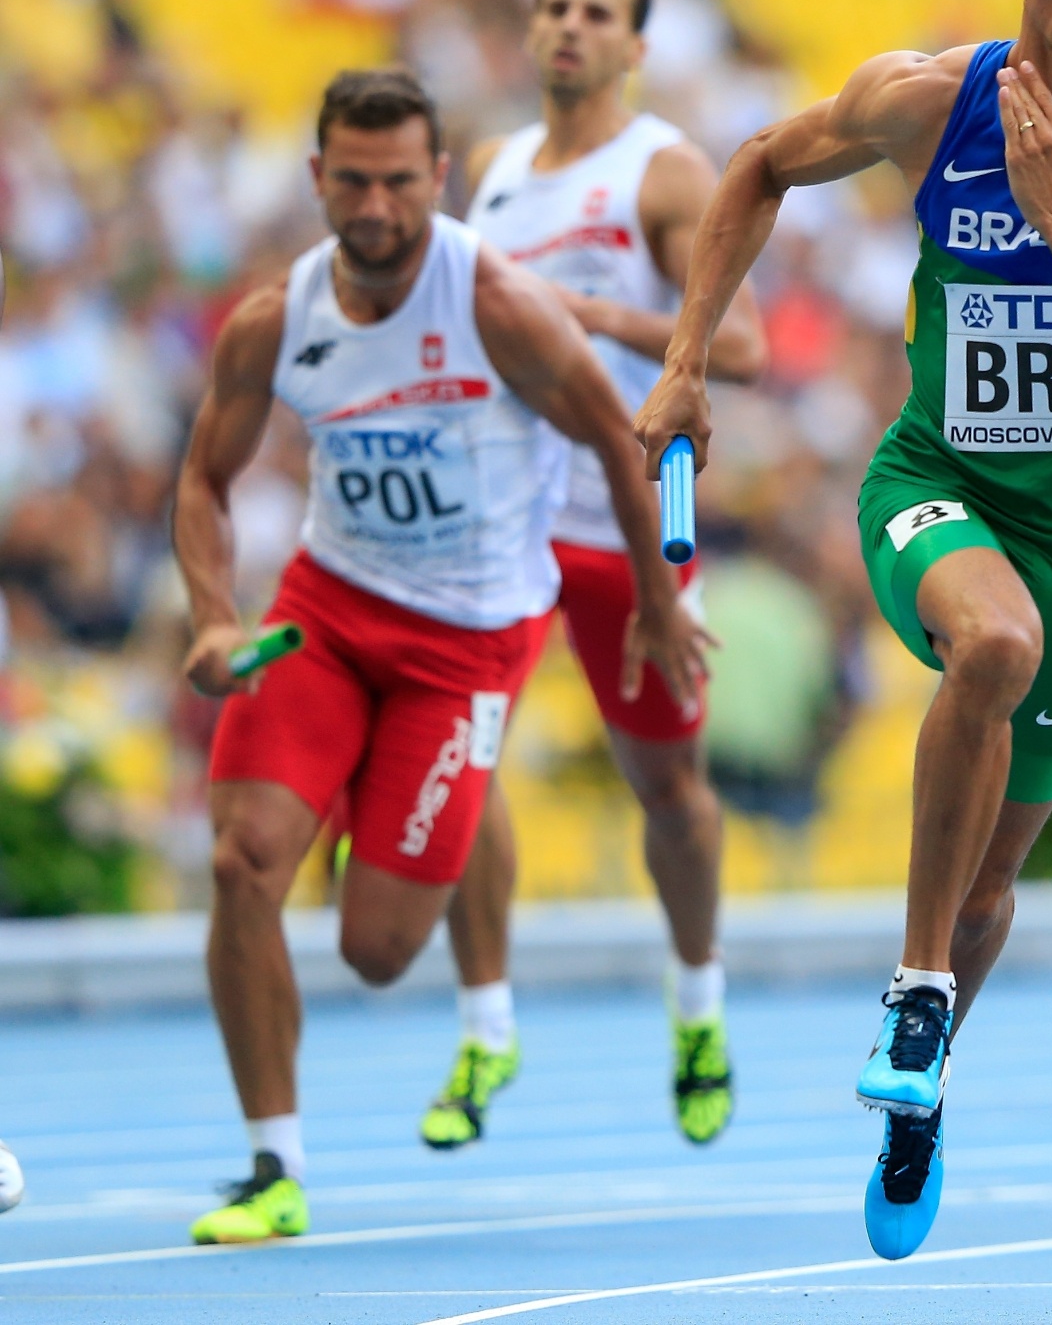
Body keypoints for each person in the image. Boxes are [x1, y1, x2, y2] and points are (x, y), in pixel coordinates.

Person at [636, 0, 1052, 1260]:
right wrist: (684, 363)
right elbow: (756, 165)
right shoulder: (928, 99)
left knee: (990, 888)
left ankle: (925, 1081)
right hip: (939, 484)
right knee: (994, 642)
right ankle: (915, 994)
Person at [173, 68, 707, 1244]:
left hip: (466, 646)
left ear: (440, 179)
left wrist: (657, 601)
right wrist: (213, 613)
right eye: (353, 181)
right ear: (318, 178)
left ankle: (396, 786)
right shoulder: (277, 317)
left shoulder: (498, 305)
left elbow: (619, 442)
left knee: (374, 950)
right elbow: (204, 479)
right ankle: (272, 1166)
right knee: (242, 863)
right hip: (325, 615)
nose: (376, 207)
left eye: (399, 183)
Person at [425, 0, 766, 1152]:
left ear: (635, 44)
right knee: (460, 764)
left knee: (669, 791)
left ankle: (698, 1003)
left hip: (623, 522)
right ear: (530, 30)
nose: (572, 25)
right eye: (556, 6)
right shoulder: (492, 170)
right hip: (499, 526)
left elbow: (747, 347)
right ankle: (485, 1025)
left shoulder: (662, 170)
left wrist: (584, 316)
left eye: (598, 11)